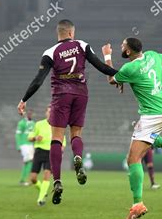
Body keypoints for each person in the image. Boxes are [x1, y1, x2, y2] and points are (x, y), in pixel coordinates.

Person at [17, 19, 118, 205]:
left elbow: (38, 80)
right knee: (76, 133)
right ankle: (77, 156)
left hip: (61, 96)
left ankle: (57, 181)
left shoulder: (49, 53)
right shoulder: (81, 45)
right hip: (80, 94)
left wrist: (24, 99)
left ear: (59, 33)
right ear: (71, 33)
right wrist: (121, 76)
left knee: (57, 138)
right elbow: (101, 67)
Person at [102, 37, 162, 219]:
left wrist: (107, 55)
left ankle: (137, 204)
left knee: (133, 160)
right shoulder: (153, 55)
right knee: (145, 136)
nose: (121, 46)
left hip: (152, 114)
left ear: (128, 52)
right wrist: (153, 74)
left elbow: (111, 78)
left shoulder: (130, 69)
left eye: (122, 46)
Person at [27, 106, 66, 206]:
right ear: (46, 113)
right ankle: (43, 190)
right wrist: (36, 138)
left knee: (46, 175)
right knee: (33, 178)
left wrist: (61, 150)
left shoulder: (58, 125)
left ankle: (41, 199)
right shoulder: (39, 124)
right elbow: (29, 137)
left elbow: (63, 141)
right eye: (49, 112)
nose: (50, 113)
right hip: (39, 152)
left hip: (51, 153)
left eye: (52, 112)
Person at [16, 109, 35, 186]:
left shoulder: (34, 123)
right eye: (29, 113)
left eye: (31, 113)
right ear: (26, 114)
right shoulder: (22, 123)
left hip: (31, 145)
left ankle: (25, 180)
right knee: (29, 161)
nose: (30, 114)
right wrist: (18, 146)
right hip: (24, 145)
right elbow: (17, 135)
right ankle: (24, 180)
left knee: (29, 161)